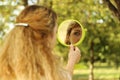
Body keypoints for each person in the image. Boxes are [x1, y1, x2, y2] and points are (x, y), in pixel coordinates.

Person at [0, 5, 81, 80]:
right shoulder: (47, 74)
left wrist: (71, 61)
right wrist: (72, 61)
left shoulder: (5, 70)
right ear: (46, 37)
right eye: (55, 32)